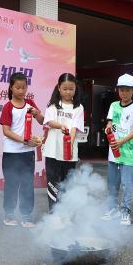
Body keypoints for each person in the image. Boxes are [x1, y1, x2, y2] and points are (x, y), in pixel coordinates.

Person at [0, 72, 44, 228]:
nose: (21, 91)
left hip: (27, 153)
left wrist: (37, 113)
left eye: (23, 87)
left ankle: (26, 216)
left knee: (27, 183)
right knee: (11, 183)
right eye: (17, 87)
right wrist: (25, 140)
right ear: (11, 87)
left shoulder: (30, 103)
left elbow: (42, 120)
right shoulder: (8, 106)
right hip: (11, 152)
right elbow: (6, 131)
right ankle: (9, 214)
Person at [101, 73, 133, 226]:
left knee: (127, 184)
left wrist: (121, 141)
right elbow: (110, 123)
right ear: (117, 90)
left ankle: (125, 211)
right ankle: (112, 209)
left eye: (127, 90)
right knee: (112, 183)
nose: (124, 93)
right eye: (121, 90)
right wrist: (108, 130)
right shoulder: (113, 106)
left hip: (129, 152)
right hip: (113, 151)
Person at [42, 73, 84, 211]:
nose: (68, 92)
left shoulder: (78, 108)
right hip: (52, 150)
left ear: (75, 89)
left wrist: (69, 146)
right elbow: (49, 121)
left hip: (69, 152)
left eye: (71, 89)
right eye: (65, 88)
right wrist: (60, 125)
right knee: (53, 181)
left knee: (67, 182)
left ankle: (65, 212)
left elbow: (74, 129)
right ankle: (54, 212)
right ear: (59, 88)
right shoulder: (53, 105)